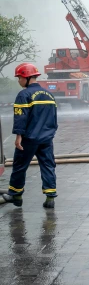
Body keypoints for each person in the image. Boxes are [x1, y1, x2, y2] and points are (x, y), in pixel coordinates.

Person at [2, 63, 58, 209]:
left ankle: (16, 195)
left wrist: (18, 137)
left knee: (20, 165)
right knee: (48, 165)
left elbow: (20, 117)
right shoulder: (49, 95)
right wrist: (50, 134)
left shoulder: (24, 95)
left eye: (19, 78)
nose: (18, 81)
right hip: (46, 139)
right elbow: (54, 118)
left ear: (26, 77)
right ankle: (50, 197)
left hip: (29, 139)